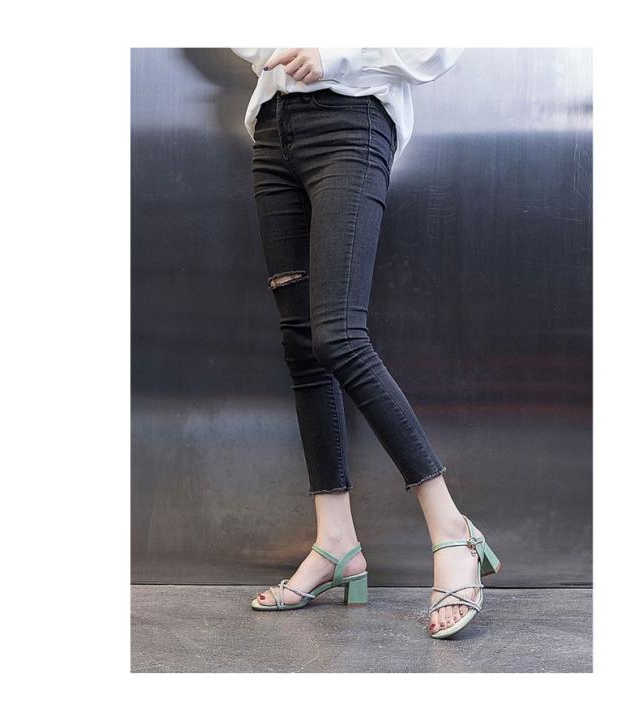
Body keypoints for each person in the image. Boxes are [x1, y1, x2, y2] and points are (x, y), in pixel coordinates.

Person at [230, 47, 501, 639]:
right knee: (303, 347)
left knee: (339, 338)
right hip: (273, 129)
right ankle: (336, 542)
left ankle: (452, 530)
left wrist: (334, 51)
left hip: (351, 123)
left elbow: (438, 44)